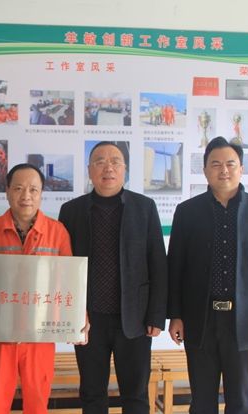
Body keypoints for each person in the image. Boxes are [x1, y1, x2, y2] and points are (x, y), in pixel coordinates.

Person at [167, 136, 248, 414]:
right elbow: (175, 267)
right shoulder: (187, 212)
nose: (224, 170)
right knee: (201, 402)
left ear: (241, 168)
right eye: (215, 164)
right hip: (200, 320)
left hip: (246, 322)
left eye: (230, 164)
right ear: (205, 170)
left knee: (241, 402)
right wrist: (175, 315)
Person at [0, 163, 75, 414]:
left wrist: (74, 320)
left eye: (33, 189)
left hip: (40, 338)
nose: (26, 196)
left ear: (41, 193)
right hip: (0, 337)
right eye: (18, 188)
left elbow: (68, 284)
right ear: (7, 191)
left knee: (37, 405)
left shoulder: (57, 233)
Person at [58, 141, 168, 414]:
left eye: (115, 162)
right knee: (92, 394)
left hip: (135, 319)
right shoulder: (71, 211)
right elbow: (63, 267)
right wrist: (69, 316)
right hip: (88, 320)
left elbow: (158, 264)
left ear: (125, 169)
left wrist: (156, 316)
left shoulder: (144, 207)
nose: (108, 167)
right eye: (100, 161)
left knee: (136, 395)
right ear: (89, 170)